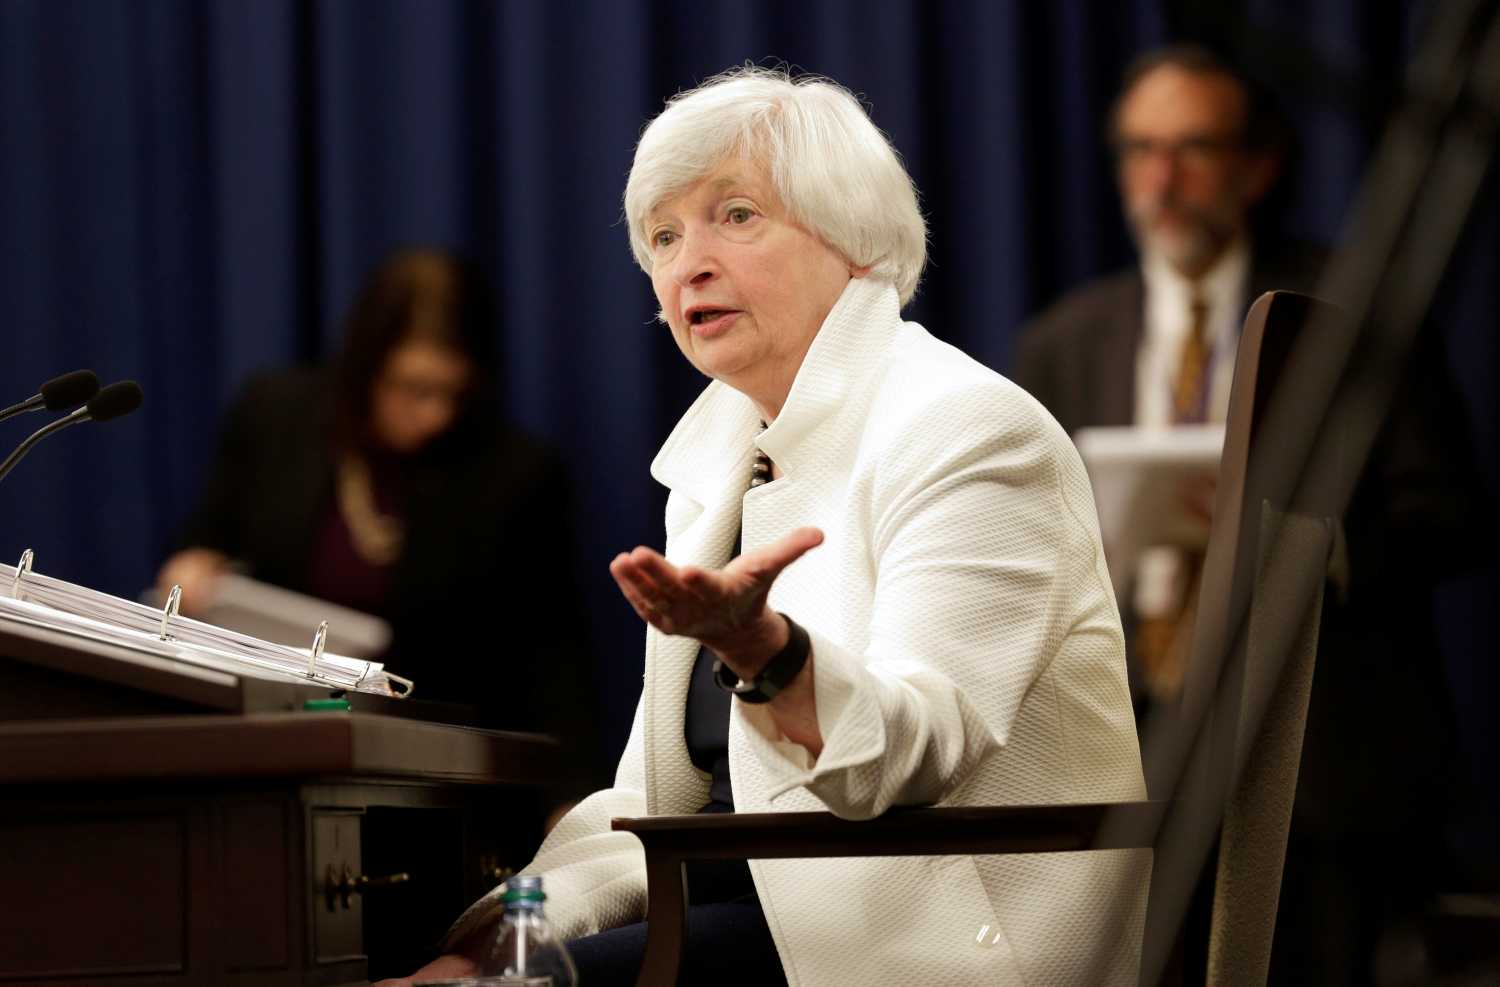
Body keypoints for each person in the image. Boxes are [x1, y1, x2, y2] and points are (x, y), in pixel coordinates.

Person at [388, 67, 1148, 987]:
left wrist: (770, 654)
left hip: (930, 937)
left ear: (856, 241)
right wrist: (498, 941)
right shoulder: (715, 459)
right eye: (663, 237)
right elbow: (653, 800)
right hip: (748, 908)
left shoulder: (966, 427)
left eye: (735, 215)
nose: (685, 264)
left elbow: (917, 750)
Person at [1013, 45, 1486, 984]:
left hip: (1324, 748)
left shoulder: (1356, 306)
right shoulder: (1064, 339)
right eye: (1140, 150)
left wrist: (1298, 546)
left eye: (1193, 147)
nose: (1163, 178)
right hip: (1129, 744)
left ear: (1258, 165)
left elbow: (1451, 514)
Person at [159, 249, 596, 763]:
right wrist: (189, 571)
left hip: (437, 760)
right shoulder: (276, 418)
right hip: (272, 738)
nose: (436, 414)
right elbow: (204, 542)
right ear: (365, 367)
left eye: (453, 392)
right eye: (413, 387)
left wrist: (567, 798)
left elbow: (551, 655)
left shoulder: (515, 471)